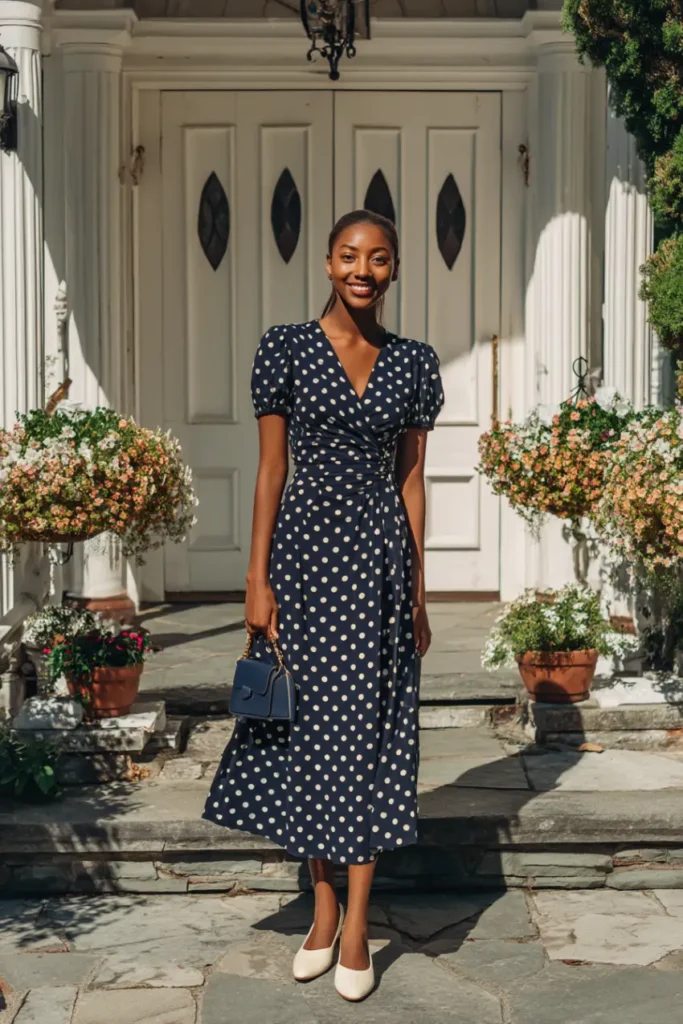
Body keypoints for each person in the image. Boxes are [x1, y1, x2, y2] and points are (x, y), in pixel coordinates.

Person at [203, 209, 444, 1002]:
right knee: (310, 732)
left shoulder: (412, 362)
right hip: (304, 559)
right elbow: (270, 469)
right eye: (348, 255)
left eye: (378, 258)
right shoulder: (286, 348)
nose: (362, 269)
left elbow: (410, 481)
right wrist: (255, 577)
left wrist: (414, 587)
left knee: (373, 732)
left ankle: (355, 925)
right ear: (328, 263)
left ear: (395, 269)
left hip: (376, 565)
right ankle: (323, 901)